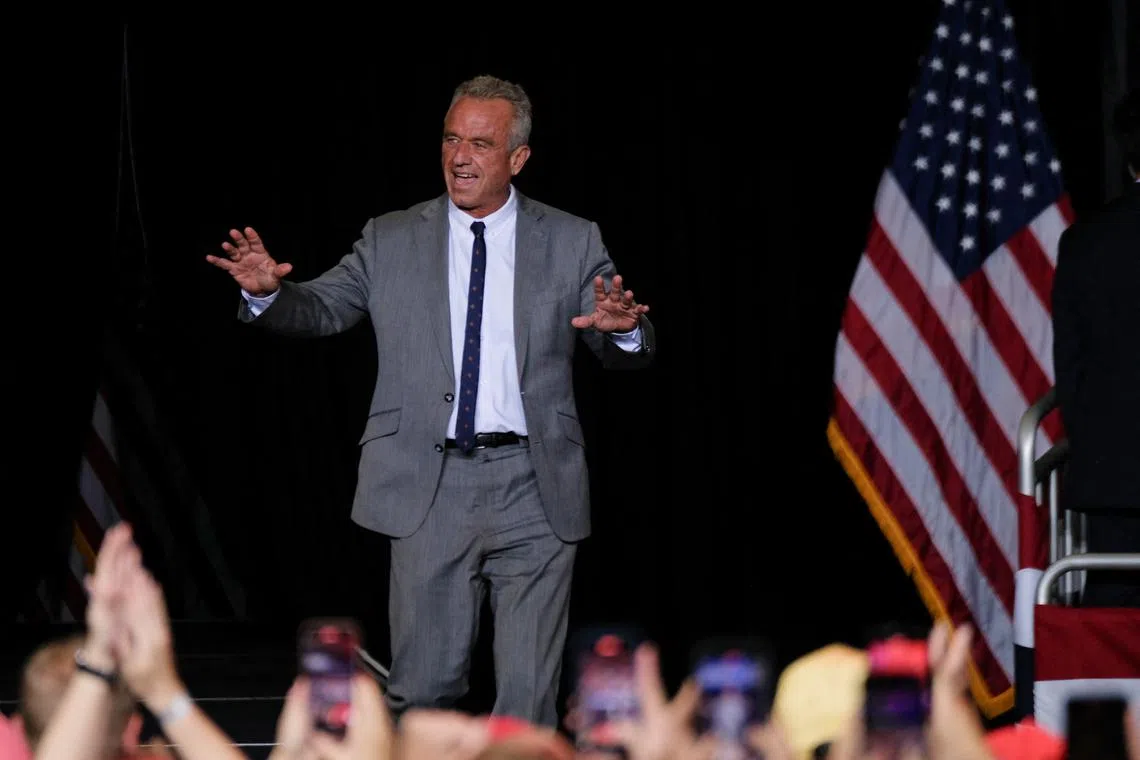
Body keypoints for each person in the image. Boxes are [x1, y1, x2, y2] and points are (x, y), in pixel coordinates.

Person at [206, 74, 656, 725]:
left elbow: (614, 333)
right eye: (451, 139)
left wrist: (627, 331)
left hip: (537, 486)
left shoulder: (571, 240)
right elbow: (324, 309)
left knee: (528, 704)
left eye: (480, 143)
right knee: (424, 690)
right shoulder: (391, 237)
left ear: (518, 157)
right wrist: (269, 293)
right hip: (429, 481)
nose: (460, 156)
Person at [1051, 87, 1140, 608]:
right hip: (1113, 479)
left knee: (1109, 637)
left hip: (1113, 482)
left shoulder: (1084, 242)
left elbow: (1073, 372)